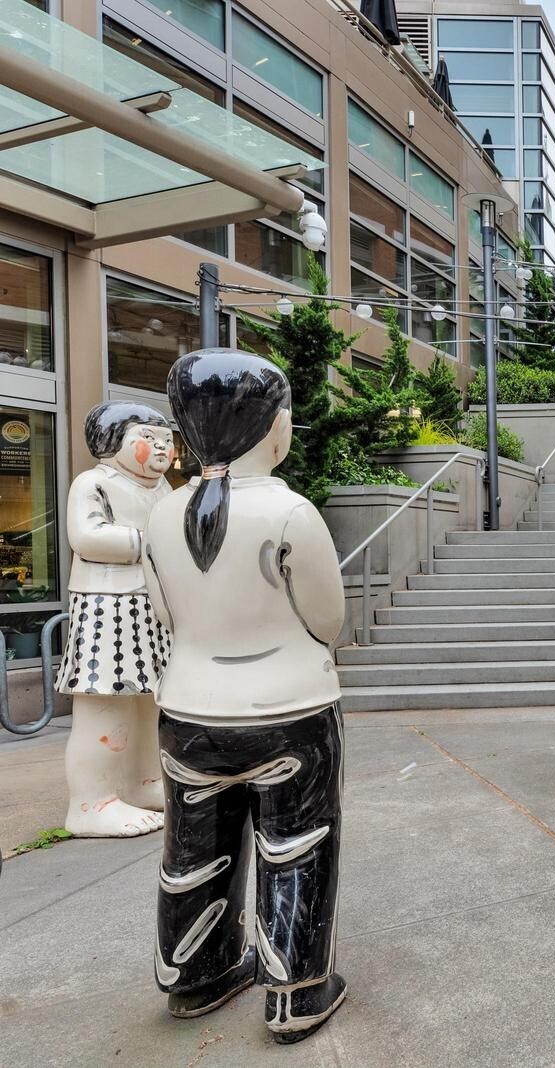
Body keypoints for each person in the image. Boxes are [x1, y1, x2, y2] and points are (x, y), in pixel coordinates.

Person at [143, 349, 348, 1043]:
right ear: (276, 428)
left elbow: (165, 614)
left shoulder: (161, 515)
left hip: (188, 709)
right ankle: (295, 990)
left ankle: (194, 975)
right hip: (288, 708)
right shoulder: (291, 512)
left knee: (192, 846)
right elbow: (328, 620)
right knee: (297, 845)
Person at [58, 401, 174, 837]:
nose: (162, 449)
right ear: (112, 443)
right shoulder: (94, 483)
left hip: (151, 606)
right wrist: (151, 541)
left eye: (166, 441)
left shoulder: (161, 488)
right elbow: (86, 537)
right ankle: (92, 801)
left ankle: (144, 782)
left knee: (150, 704)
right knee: (106, 706)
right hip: (107, 607)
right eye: (149, 439)